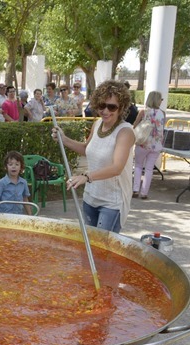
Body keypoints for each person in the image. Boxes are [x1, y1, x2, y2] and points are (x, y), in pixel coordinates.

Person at [54, 80, 135, 233]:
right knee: (91, 245)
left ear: (121, 107)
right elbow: (86, 149)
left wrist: (86, 176)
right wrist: (63, 139)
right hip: (91, 196)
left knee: (102, 250)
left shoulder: (125, 132)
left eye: (111, 107)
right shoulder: (97, 124)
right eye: (101, 105)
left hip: (112, 202)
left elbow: (117, 167)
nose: (105, 111)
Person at [132, 91, 165, 200]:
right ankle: (144, 193)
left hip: (143, 143)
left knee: (138, 166)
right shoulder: (163, 113)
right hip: (156, 144)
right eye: (161, 99)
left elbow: (135, 125)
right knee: (149, 169)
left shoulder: (143, 112)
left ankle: (135, 190)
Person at [0, 151, 32, 215]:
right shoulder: (1, 183)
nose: (14, 166)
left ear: (21, 167)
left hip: (18, 215)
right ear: (6, 167)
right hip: (4, 216)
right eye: (10, 164)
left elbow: (25, 199)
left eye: (17, 164)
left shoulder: (23, 183)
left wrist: (30, 216)